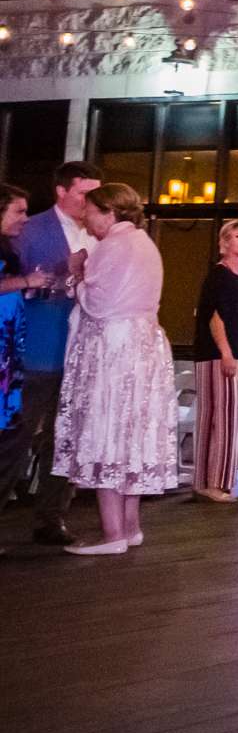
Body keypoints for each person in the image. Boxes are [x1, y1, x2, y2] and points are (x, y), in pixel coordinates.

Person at [48, 184, 178, 556]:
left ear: (109, 212)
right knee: (130, 435)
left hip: (116, 349)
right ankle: (130, 526)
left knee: (106, 429)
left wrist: (77, 273)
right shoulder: (144, 243)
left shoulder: (114, 246)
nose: (85, 216)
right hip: (144, 345)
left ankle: (112, 533)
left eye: (90, 209)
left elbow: (99, 304)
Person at [3, 161, 99, 544]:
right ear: (62, 191)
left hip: (82, 352)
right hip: (37, 349)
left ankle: (52, 516)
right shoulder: (30, 229)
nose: (91, 202)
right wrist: (40, 284)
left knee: (66, 438)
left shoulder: (101, 233)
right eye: (84, 193)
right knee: (17, 436)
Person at [190, 220, 238, 503]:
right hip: (218, 354)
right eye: (237, 236)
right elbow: (215, 316)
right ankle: (217, 483)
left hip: (228, 353)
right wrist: (227, 354)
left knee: (213, 418)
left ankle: (205, 481)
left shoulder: (236, 275)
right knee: (224, 420)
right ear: (225, 242)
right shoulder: (219, 275)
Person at [0, 185, 36, 468]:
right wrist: (25, 282)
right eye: (19, 211)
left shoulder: (10, 247)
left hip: (9, 352)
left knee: (12, 433)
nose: (25, 218)